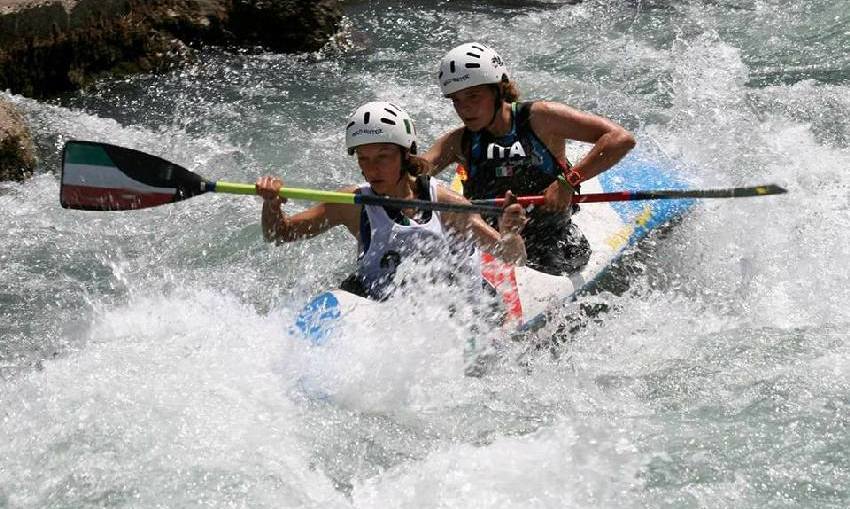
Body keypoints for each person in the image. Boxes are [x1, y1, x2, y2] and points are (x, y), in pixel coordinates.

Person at [256, 101, 527, 302]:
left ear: (405, 154)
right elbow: (279, 234)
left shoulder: (445, 204)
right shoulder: (352, 203)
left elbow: (513, 257)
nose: (372, 169)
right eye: (364, 158)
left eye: (383, 157)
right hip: (383, 305)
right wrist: (271, 205)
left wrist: (510, 232)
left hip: (448, 304)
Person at [423, 42, 636, 275]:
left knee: (563, 257)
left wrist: (568, 181)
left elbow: (619, 138)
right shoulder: (457, 141)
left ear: (498, 89)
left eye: (473, 96)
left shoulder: (541, 118)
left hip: (551, 236)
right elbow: (410, 176)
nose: (464, 109)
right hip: (493, 244)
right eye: (456, 100)